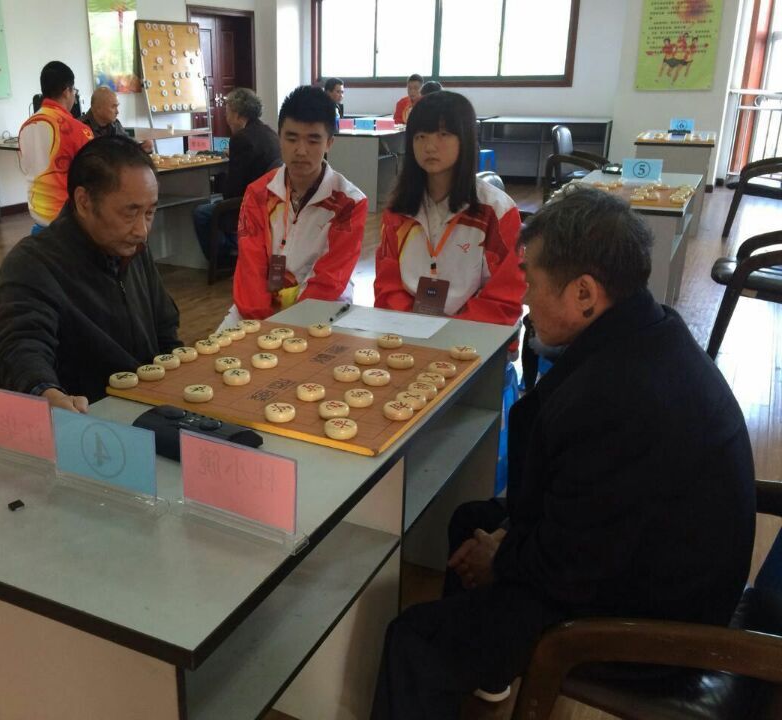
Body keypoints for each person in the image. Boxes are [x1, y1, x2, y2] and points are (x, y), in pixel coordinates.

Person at [370, 186, 756, 719]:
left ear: (584, 294)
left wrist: (502, 555)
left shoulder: (616, 399)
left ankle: (459, 661)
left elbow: (570, 566)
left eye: (532, 282)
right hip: (648, 562)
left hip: (651, 627)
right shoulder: (647, 328)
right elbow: (588, 512)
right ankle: (480, 674)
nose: (525, 299)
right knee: (470, 521)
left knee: (412, 640)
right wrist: (504, 539)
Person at [0, 136, 181, 412]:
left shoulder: (133, 248)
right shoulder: (32, 263)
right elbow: (21, 347)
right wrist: (45, 392)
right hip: (91, 417)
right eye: (130, 213)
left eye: (150, 213)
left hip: (151, 404)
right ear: (84, 202)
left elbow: (166, 331)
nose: (142, 231)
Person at [374, 91, 523, 327]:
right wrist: (413, 328)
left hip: (475, 335)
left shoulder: (497, 211)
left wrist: (446, 333)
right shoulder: (398, 210)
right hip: (408, 330)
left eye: (443, 134)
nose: (429, 146)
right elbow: (388, 287)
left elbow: (504, 298)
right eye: (420, 136)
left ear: (465, 139)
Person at [223, 85, 367, 326]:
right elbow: (250, 266)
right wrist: (261, 322)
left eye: (313, 140)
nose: (301, 151)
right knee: (221, 346)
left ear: (329, 143)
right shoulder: (258, 193)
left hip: (322, 307)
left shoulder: (350, 203)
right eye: (291, 138)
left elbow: (330, 278)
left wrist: (289, 327)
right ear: (279, 137)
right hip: (259, 304)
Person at [193, 88, 281, 263]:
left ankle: (225, 257)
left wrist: (216, 183)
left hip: (248, 205)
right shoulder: (270, 133)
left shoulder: (241, 139)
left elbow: (232, 189)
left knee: (201, 213)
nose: (226, 119)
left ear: (239, 115)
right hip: (269, 202)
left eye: (228, 113)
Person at [18, 61, 94, 231]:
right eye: (74, 91)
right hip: (69, 219)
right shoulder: (78, 129)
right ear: (67, 91)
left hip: (38, 215)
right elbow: (94, 174)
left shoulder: (26, 127)